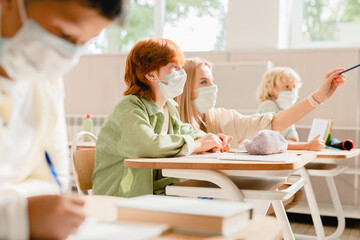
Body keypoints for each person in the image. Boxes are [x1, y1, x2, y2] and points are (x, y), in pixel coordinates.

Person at [0, 0, 128, 239]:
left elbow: (51, 183)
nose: (69, 55)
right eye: (65, 33)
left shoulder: (45, 82)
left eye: (84, 43)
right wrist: (17, 217)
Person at [92, 38, 232, 198]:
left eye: (181, 65)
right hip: (122, 197)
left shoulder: (168, 107)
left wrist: (211, 140)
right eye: (174, 66)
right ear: (150, 74)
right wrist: (198, 144)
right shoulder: (129, 107)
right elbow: (149, 145)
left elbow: (185, 131)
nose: (182, 72)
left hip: (152, 192)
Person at [176, 57, 345, 149]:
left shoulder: (222, 117)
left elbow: (273, 123)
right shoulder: (172, 122)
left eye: (213, 81)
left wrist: (319, 97)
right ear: (185, 87)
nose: (212, 87)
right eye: (204, 82)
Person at [257, 67, 325, 151]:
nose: (292, 91)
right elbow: (270, 142)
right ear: (271, 89)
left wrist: (286, 144)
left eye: (294, 87)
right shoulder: (268, 105)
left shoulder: (286, 109)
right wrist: (307, 146)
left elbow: (292, 138)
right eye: (286, 86)